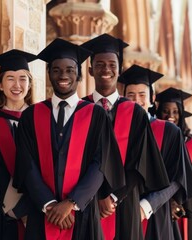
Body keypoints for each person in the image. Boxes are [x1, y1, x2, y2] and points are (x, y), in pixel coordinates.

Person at [13, 38, 125, 240]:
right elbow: (26, 163)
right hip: (43, 212)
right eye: (56, 70)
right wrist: (49, 204)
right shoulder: (32, 115)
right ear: (49, 75)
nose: (63, 75)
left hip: (83, 213)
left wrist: (71, 202)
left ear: (80, 75)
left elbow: (101, 163)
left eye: (70, 70)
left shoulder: (96, 115)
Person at [81, 34, 170, 240]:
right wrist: (93, 195)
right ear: (90, 70)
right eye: (99, 64)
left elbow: (142, 162)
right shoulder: (80, 109)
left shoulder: (135, 113)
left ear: (119, 70)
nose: (106, 69)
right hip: (86, 202)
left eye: (112, 64)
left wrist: (112, 197)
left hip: (124, 203)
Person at [118, 64, 192, 240]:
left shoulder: (169, 131)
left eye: (142, 95)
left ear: (152, 98)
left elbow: (177, 178)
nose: (136, 100)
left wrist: (146, 206)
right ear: (123, 98)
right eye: (130, 95)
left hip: (155, 214)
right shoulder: (115, 128)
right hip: (119, 214)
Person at [0, 49, 37, 240]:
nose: (17, 85)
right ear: (0, 85)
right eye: (10, 78)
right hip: (7, 212)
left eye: (22, 78)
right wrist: (17, 209)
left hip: (40, 208)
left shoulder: (41, 118)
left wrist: (34, 205)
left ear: (29, 84)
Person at [155, 87, 192, 240]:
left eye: (175, 112)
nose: (170, 116)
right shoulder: (151, 141)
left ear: (181, 115)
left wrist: (178, 203)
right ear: (157, 112)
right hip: (156, 208)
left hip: (187, 211)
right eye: (165, 111)